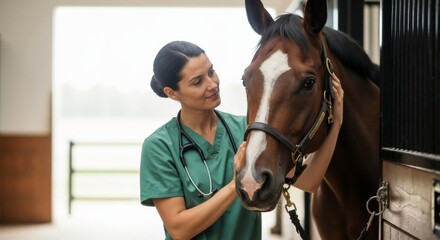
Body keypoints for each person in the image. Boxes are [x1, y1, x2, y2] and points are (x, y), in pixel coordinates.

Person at [140, 40, 344, 240]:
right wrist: (236, 183)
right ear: (172, 93)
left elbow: (309, 182)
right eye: (198, 81)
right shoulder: (159, 146)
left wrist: (336, 124)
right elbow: (180, 230)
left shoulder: (246, 130)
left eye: (211, 72)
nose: (212, 84)